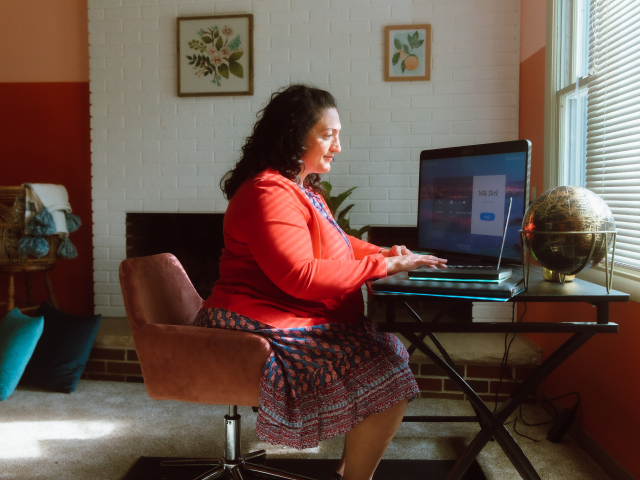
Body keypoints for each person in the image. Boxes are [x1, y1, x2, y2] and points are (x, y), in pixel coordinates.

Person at [195, 84, 447, 480]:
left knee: (388, 352)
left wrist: (384, 254)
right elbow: (301, 275)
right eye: (328, 134)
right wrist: (384, 267)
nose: (338, 145)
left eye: (338, 134)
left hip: (278, 312)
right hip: (250, 320)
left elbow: (338, 242)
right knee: (388, 373)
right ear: (295, 136)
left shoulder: (299, 190)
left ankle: (347, 471)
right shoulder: (269, 192)